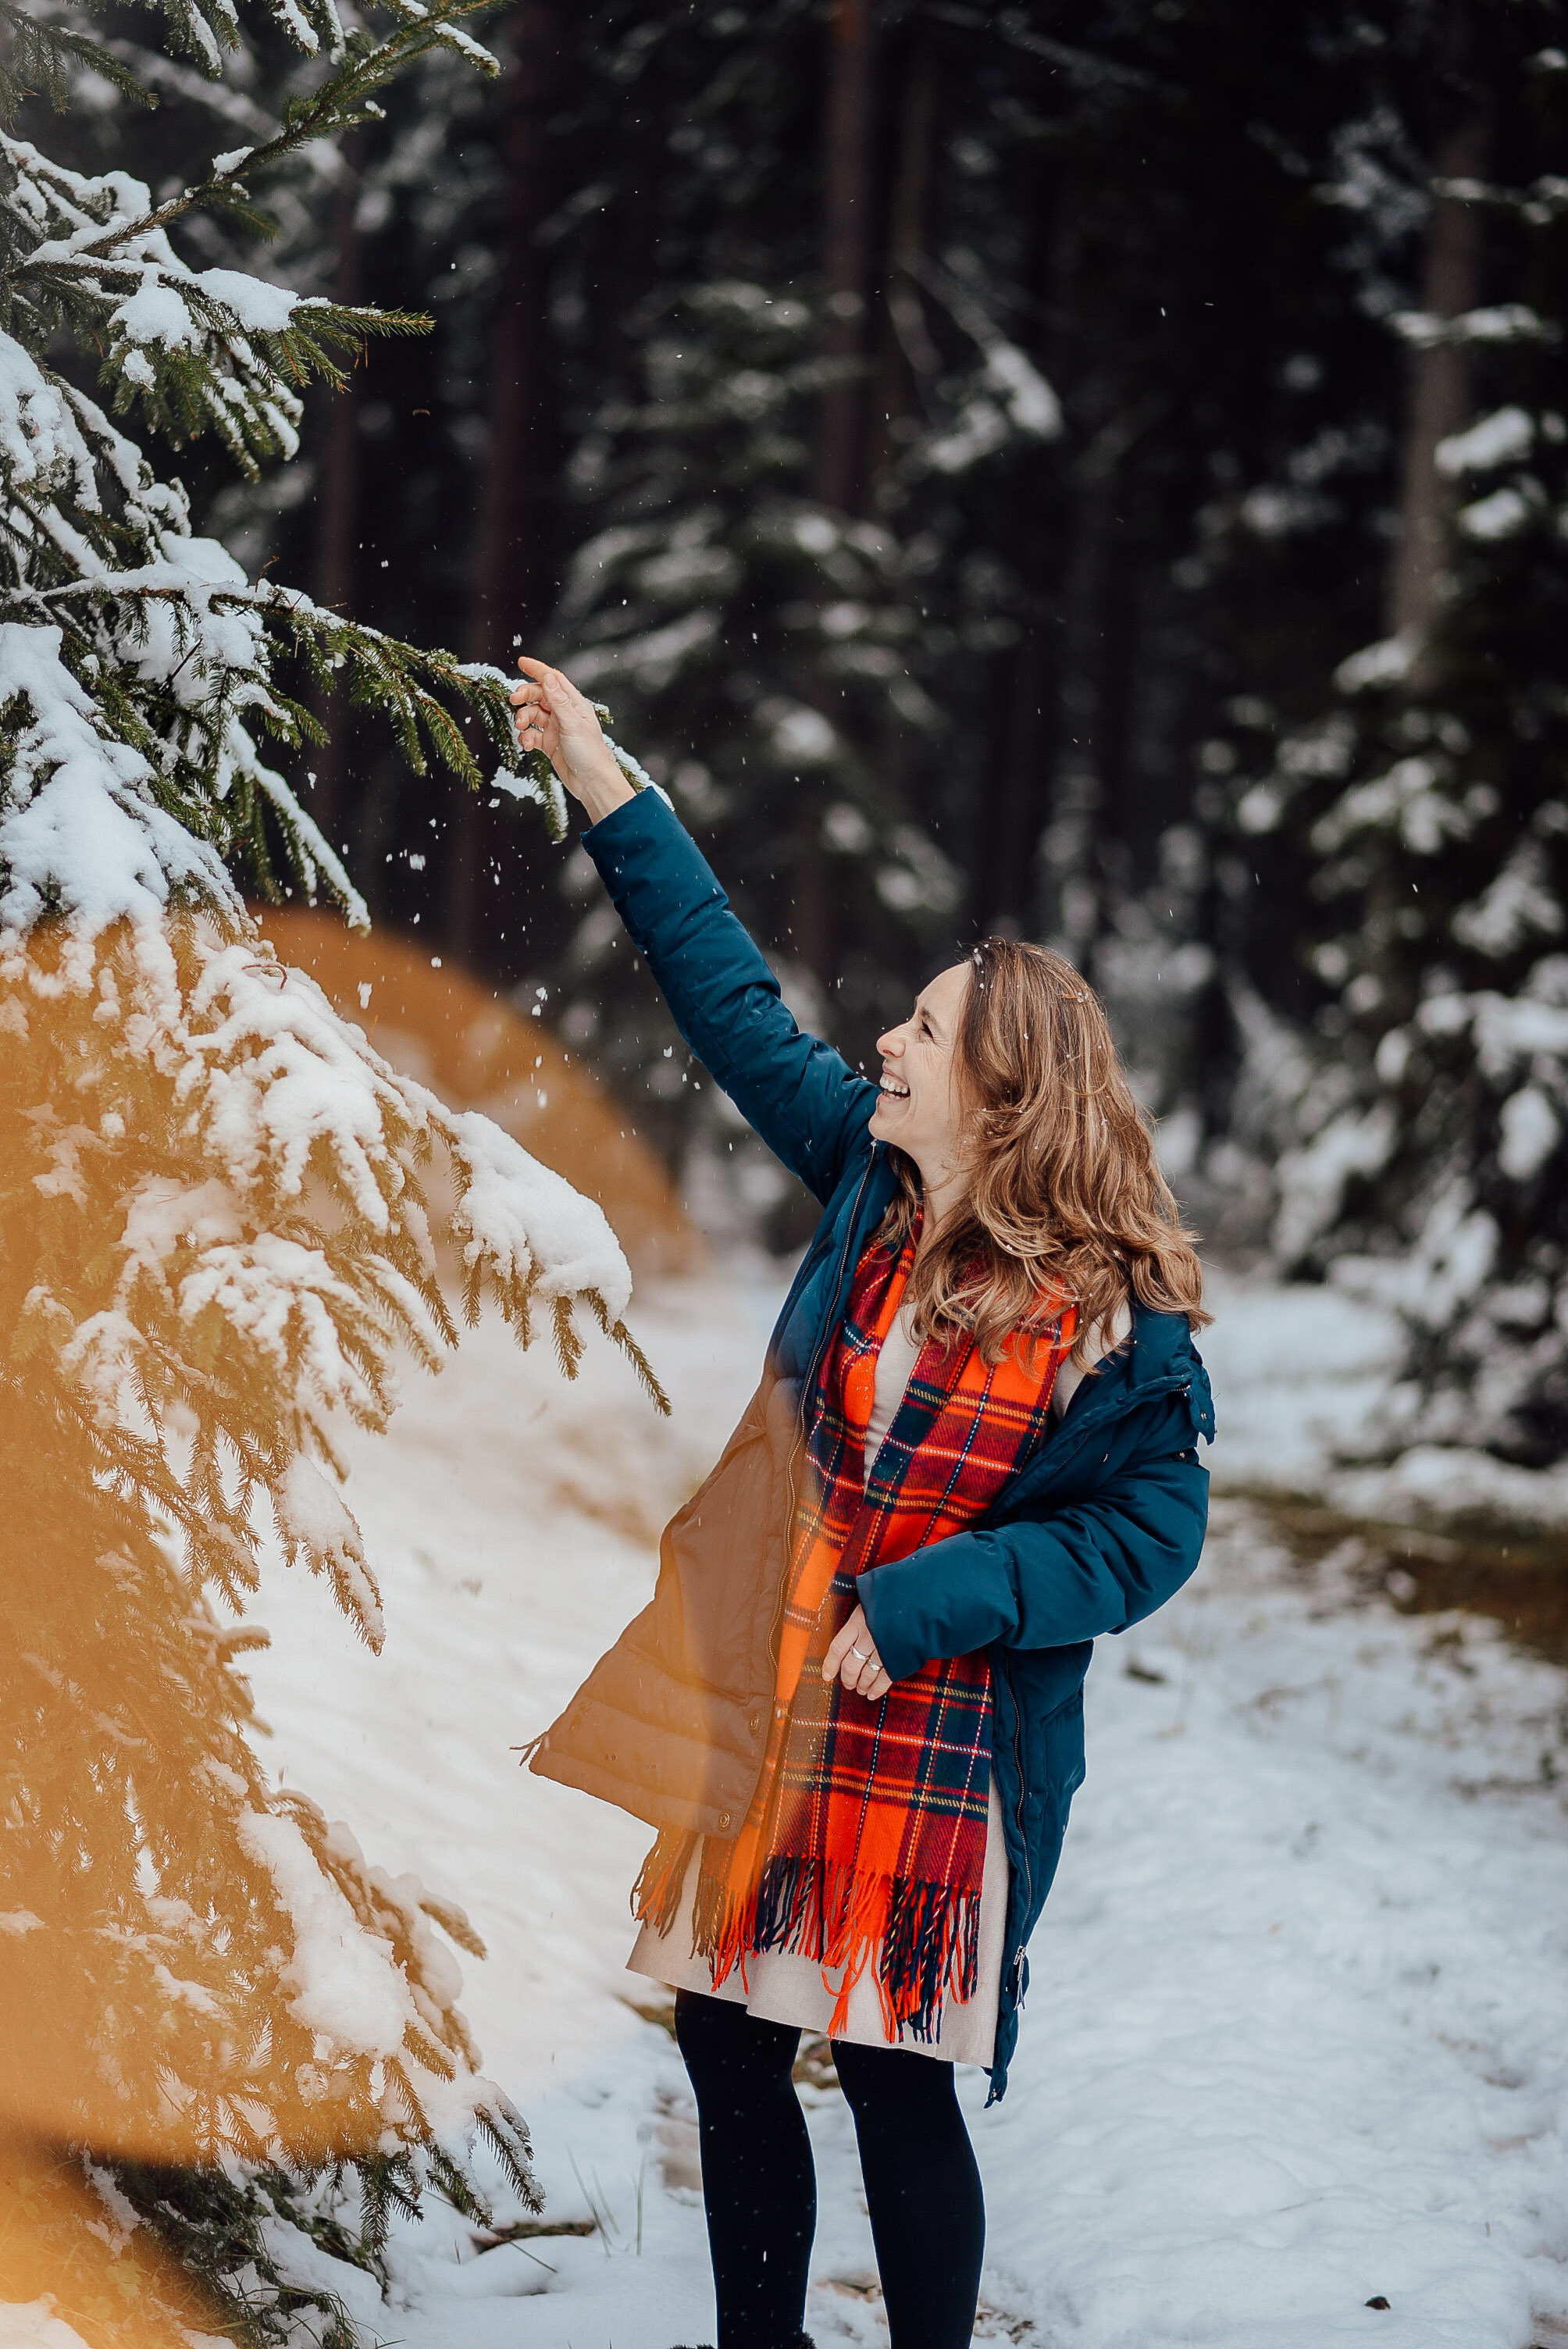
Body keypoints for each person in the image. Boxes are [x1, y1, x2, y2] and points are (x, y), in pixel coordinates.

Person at [513, 658, 1214, 2349]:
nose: (883, 1044)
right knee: (727, 2041)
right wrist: (609, 787)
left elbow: (1148, 1536)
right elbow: (732, 1009)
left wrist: (929, 1601)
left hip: (940, 1742)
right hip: (777, 1700)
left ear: (996, 1095)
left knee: (899, 2078)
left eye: (918, 1032)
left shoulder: (1121, 1322)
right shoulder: (866, 1194)